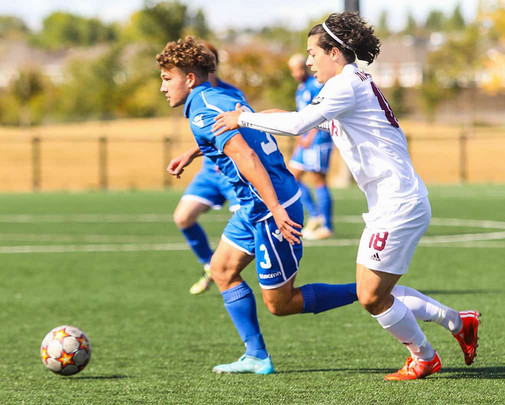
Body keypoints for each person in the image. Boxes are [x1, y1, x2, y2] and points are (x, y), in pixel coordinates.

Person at [213, 13, 480, 381]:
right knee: (373, 291)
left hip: (398, 203)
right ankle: (457, 322)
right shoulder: (349, 84)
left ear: (335, 53)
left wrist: (241, 121)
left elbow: (297, 124)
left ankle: (425, 357)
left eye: (312, 53)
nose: (308, 61)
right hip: (396, 201)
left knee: (370, 296)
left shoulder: (345, 86)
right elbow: (299, 117)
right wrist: (250, 115)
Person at [158, 36, 358, 375]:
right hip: (255, 208)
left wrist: (277, 211)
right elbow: (254, 118)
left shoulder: (202, 109)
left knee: (281, 304)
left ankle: (368, 291)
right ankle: (256, 356)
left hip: (269, 209)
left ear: (189, 78)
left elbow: (247, 156)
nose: (162, 87)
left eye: (167, 78)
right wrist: (194, 152)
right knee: (221, 270)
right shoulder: (222, 96)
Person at [172, 43, 245, 295]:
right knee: (183, 217)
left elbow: (235, 133)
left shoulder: (229, 94)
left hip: (234, 173)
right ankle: (209, 266)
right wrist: (191, 153)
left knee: (251, 224)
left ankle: (231, 270)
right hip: (209, 172)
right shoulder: (193, 95)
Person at [287, 54, 334, 240]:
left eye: (299, 68)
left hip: (319, 140)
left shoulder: (316, 86)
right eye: (293, 70)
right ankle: (315, 215)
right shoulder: (300, 90)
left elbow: (322, 113)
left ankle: (327, 225)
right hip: (305, 140)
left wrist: (311, 135)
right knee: (291, 177)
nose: (297, 73)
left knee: (319, 180)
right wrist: (300, 141)